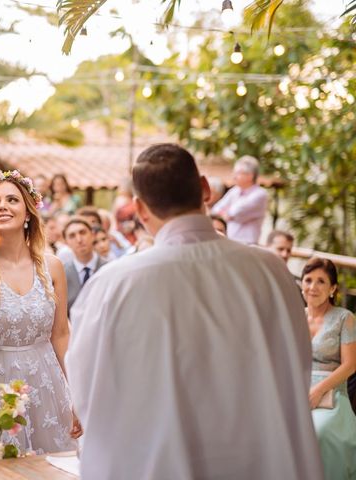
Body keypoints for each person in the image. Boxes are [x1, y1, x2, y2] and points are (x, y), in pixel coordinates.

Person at [67, 143, 323, 480]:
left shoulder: (112, 286)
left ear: (140, 210)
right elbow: (297, 363)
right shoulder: (272, 271)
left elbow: (88, 393)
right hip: (259, 459)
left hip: (162, 464)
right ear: (205, 188)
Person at [0, 169, 80, 456]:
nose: (2, 206)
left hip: (46, 384)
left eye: (12, 200)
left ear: (28, 213)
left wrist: (77, 394)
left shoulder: (53, 266)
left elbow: (61, 334)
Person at [301, 257, 356, 479]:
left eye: (321, 281)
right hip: (296, 390)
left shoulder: (345, 317)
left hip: (331, 394)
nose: (313, 287)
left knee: (318, 433)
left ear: (333, 288)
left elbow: (350, 365)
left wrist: (317, 390)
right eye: (308, 280)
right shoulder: (294, 314)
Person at [211, 155, 268, 244]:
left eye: (238, 173)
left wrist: (228, 213)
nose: (234, 176)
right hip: (230, 242)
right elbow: (215, 210)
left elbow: (235, 212)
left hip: (248, 244)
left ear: (250, 176)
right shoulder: (234, 191)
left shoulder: (260, 194)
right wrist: (227, 214)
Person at [62, 217, 107, 313]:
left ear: (93, 235)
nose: (79, 239)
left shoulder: (109, 268)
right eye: (72, 236)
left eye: (82, 232)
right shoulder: (62, 274)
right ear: (66, 242)